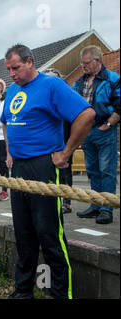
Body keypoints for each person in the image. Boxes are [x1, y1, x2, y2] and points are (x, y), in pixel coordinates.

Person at [1, 44, 95, 299]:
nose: (12, 73)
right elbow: (6, 122)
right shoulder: (11, 90)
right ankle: (23, 291)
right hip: (18, 167)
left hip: (43, 166)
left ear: (30, 62)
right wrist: (10, 151)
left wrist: (66, 152)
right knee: (23, 232)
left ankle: (61, 294)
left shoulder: (52, 86)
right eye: (8, 69)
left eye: (16, 67)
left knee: (49, 233)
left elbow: (86, 114)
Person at [72, 45, 120, 224]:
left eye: (86, 63)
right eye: (81, 63)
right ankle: (95, 205)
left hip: (104, 130)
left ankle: (107, 208)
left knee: (107, 170)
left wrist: (108, 124)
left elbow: (119, 106)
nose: (83, 67)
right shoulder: (78, 82)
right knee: (92, 170)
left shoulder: (113, 79)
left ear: (97, 61)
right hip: (86, 132)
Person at [43, 68, 74, 214]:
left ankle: (66, 201)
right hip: (48, 144)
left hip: (64, 141)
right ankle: (51, 199)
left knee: (65, 171)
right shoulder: (42, 98)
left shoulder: (65, 96)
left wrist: (67, 149)